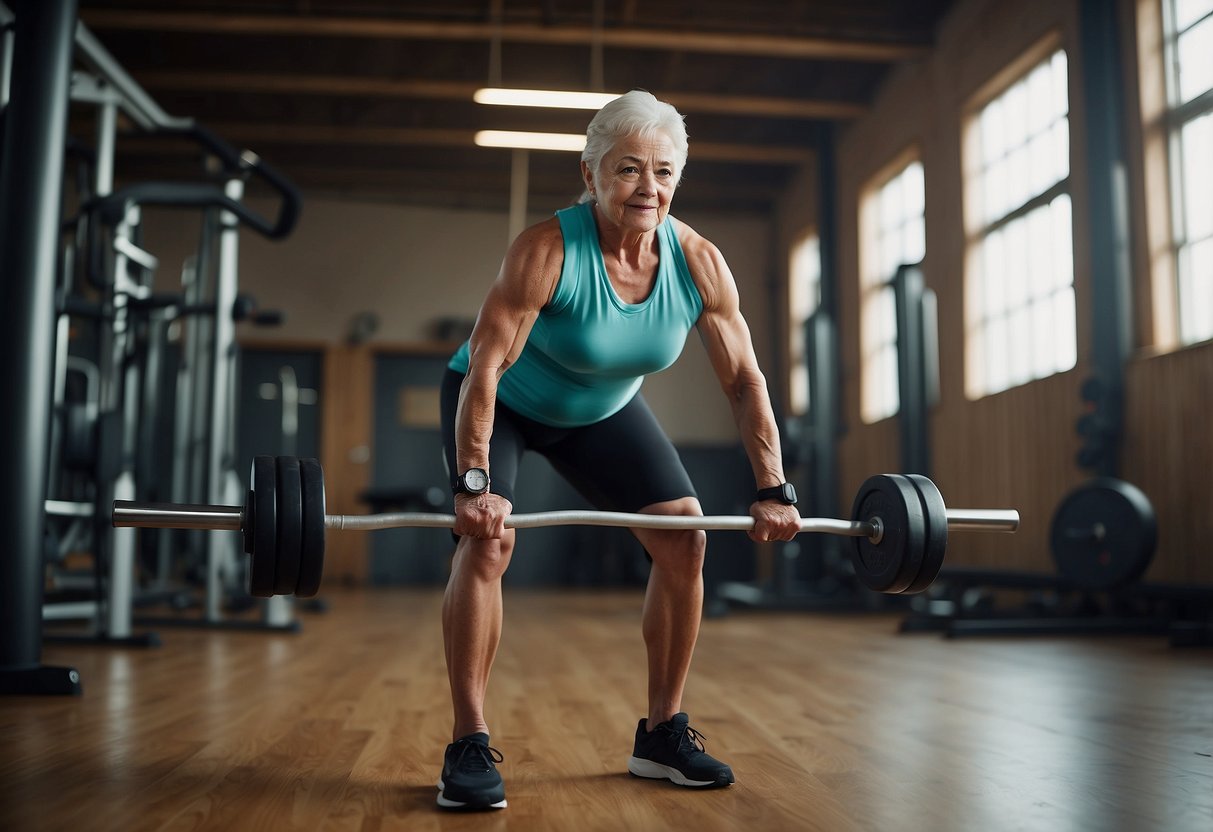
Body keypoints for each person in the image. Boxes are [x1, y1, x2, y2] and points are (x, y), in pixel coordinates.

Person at [436, 89, 802, 811]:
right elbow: (484, 369)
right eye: (629, 169)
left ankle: (661, 734)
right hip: (499, 401)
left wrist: (772, 487)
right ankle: (467, 740)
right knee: (488, 543)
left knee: (685, 540)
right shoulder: (545, 249)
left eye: (664, 171)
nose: (648, 187)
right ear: (591, 172)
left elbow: (743, 380)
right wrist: (473, 481)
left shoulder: (697, 262)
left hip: (601, 412)